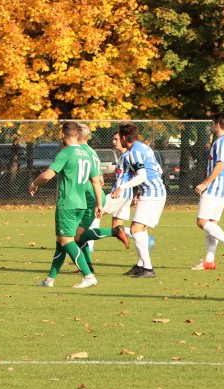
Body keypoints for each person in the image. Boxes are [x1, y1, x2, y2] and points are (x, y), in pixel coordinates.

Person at [30, 121, 104, 289]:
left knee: (66, 241)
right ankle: (49, 279)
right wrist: (99, 204)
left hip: (67, 204)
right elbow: (96, 181)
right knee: (61, 242)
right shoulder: (86, 153)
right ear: (77, 134)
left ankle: (89, 275)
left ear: (63, 135)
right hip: (82, 204)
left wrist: (34, 183)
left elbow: (47, 175)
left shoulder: (66, 153)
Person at [112, 123, 166, 278]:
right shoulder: (144, 148)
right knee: (140, 230)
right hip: (152, 191)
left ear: (123, 138)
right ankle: (140, 265)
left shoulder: (133, 153)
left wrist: (123, 187)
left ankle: (148, 269)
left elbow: (142, 175)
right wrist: (139, 189)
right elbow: (158, 170)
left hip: (152, 194)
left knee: (135, 230)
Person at [74, 130, 133, 270]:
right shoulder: (96, 152)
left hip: (117, 195)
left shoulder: (82, 151)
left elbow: (140, 173)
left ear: (124, 139)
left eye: (116, 139)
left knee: (89, 221)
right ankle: (144, 238)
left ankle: (89, 256)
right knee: (118, 227)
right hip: (126, 195)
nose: (114, 142)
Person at [191, 112, 224, 269]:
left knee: (202, 222)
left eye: (213, 123)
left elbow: (220, 165)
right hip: (222, 189)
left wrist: (205, 183)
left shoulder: (220, 142)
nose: (212, 126)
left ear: (217, 124)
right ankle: (209, 260)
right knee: (212, 224)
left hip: (214, 188)